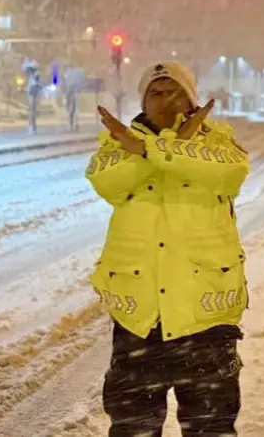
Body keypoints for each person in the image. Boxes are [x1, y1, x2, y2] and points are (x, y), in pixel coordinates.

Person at [85, 61, 251, 437]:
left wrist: (147, 148)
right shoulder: (115, 147)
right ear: (144, 101)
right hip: (140, 317)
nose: (166, 100)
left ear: (191, 99)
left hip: (205, 313)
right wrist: (160, 148)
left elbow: (227, 173)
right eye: (156, 93)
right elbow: (107, 181)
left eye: (176, 92)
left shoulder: (220, 145)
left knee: (210, 427)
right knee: (133, 428)